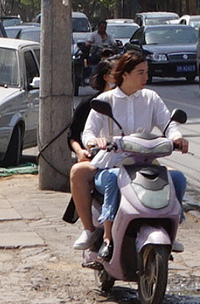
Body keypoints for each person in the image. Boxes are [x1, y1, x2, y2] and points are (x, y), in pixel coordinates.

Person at [74, 52, 188, 254]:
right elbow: (89, 132)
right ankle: (97, 233)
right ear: (125, 74)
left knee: (177, 178)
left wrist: (176, 136)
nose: (146, 77)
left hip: (145, 161)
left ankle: (172, 231)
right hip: (112, 163)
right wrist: (94, 141)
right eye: (140, 72)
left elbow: (168, 124)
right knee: (110, 178)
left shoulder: (151, 98)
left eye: (147, 72)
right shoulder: (105, 100)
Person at [66, 59, 116, 246]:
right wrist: (81, 151)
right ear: (106, 77)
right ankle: (89, 229)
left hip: (127, 157)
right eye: (117, 73)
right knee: (79, 173)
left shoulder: (140, 99)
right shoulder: (92, 104)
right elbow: (74, 135)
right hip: (97, 155)